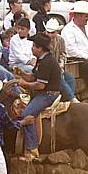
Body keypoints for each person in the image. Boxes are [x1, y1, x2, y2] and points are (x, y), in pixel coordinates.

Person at [15, 33, 61, 161]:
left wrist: (25, 84)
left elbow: (40, 85)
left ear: (40, 48)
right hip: (44, 92)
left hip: (47, 95)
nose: (32, 48)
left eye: (34, 46)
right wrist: (22, 74)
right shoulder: (42, 60)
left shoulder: (47, 62)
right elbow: (33, 77)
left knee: (27, 114)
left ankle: (33, 149)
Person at [44, 18, 79, 103]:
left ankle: (68, 99)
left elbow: (63, 54)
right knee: (60, 78)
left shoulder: (60, 40)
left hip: (58, 67)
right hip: (46, 69)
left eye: (52, 33)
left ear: (57, 32)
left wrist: (62, 63)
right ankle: (72, 99)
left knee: (70, 78)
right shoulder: (42, 41)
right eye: (48, 32)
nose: (50, 35)